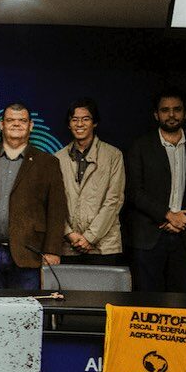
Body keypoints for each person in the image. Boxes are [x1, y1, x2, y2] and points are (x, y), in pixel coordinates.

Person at [126, 87, 186, 293]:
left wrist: (185, 219)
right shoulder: (140, 146)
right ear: (156, 114)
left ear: (185, 113)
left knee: (183, 302)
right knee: (147, 303)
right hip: (149, 236)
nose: (171, 115)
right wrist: (167, 215)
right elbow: (134, 191)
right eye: (165, 110)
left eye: (177, 109)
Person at [0, 103, 67, 290]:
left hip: (29, 253)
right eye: (10, 120)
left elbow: (57, 209)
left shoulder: (48, 162)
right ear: (1, 125)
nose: (16, 124)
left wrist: (52, 250)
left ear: (31, 125)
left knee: (26, 313)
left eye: (22, 120)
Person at [55, 98, 126, 266]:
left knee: (102, 293)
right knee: (68, 293)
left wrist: (89, 237)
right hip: (68, 246)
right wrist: (70, 234)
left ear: (94, 123)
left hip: (104, 246)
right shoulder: (57, 158)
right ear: (69, 124)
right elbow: (54, 203)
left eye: (85, 119)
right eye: (74, 119)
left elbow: (114, 201)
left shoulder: (113, 155)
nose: (80, 124)